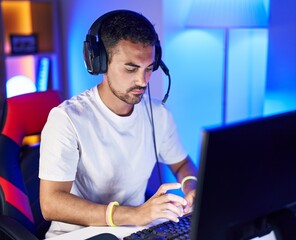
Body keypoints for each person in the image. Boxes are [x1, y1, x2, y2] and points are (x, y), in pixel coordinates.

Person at [39, 9, 197, 237]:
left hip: (134, 230)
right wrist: (134, 214)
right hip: (76, 235)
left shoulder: (159, 114)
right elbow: (50, 204)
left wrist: (191, 186)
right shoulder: (66, 119)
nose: (142, 81)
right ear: (100, 62)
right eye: (131, 68)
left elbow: (182, 164)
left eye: (149, 68)